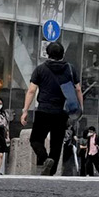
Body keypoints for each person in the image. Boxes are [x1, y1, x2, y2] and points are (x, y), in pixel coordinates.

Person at [21, 40, 78, 175]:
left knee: (35, 139)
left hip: (44, 110)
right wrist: (79, 107)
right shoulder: (70, 69)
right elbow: (79, 89)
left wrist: (25, 110)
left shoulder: (40, 69)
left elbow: (31, 90)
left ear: (47, 54)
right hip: (61, 112)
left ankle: (44, 158)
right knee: (56, 144)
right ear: (63, 54)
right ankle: (50, 172)